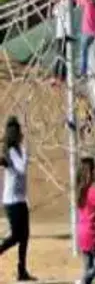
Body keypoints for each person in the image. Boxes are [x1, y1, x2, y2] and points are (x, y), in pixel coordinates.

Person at [0, 118, 33, 281]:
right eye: (18, 131)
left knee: (25, 235)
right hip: (12, 201)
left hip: (20, 199)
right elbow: (21, 168)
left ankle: (22, 271)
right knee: (16, 236)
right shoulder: (12, 151)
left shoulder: (17, 150)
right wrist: (25, 150)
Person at [72, 0, 95, 78]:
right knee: (89, 52)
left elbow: (79, 0)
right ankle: (89, 70)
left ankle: (83, 72)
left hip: (87, 32)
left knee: (83, 53)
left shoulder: (87, 2)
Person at [51, 0, 71, 85]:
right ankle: (62, 77)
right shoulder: (65, 4)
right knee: (63, 56)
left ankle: (56, 76)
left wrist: (56, 1)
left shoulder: (63, 5)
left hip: (62, 34)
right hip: (64, 34)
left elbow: (55, 11)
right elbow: (54, 11)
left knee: (59, 56)